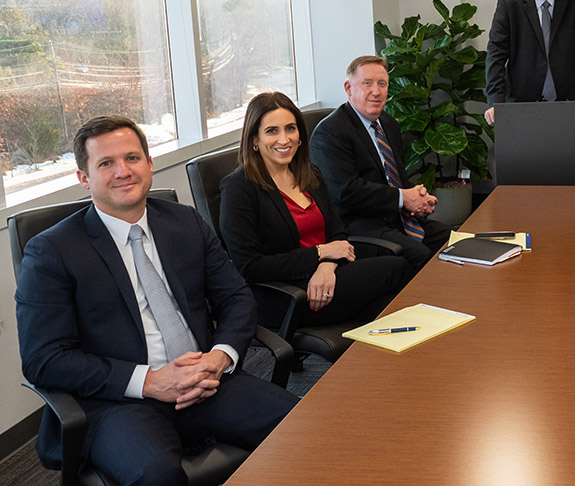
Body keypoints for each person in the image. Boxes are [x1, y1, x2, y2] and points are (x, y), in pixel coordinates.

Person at [15, 116, 297, 485]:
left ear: (150, 164)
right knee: (157, 475)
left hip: (206, 378)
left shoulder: (185, 222)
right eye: (106, 163)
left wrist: (219, 357)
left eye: (132, 158)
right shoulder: (53, 250)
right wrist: (148, 382)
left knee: (301, 427)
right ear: (84, 178)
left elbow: (237, 298)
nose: (123, 171)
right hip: (120, 401)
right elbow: (44, 359)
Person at [219, 92, 414, 327]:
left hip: (327, 278)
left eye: (290, 129)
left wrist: (326, 266)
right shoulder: (239, 187)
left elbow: (337, 232)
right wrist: (321, 254)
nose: (284, 139)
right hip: (289, 294)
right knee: (397, 268)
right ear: (254, 140)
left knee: (388, 305)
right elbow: (250, 267)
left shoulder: (309, 174)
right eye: (272, 131)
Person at [310, 55, 452, 269]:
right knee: (420, 256)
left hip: (397, 219)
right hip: (359, 226)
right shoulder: (331, 131)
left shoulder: (388, 124)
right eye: (367, 84)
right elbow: (345, 192)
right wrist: (404, 198)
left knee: (453, 241)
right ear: (348, 88)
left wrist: (417, 201)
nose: (376, 92)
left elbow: (398, 179)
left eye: (382, 84)